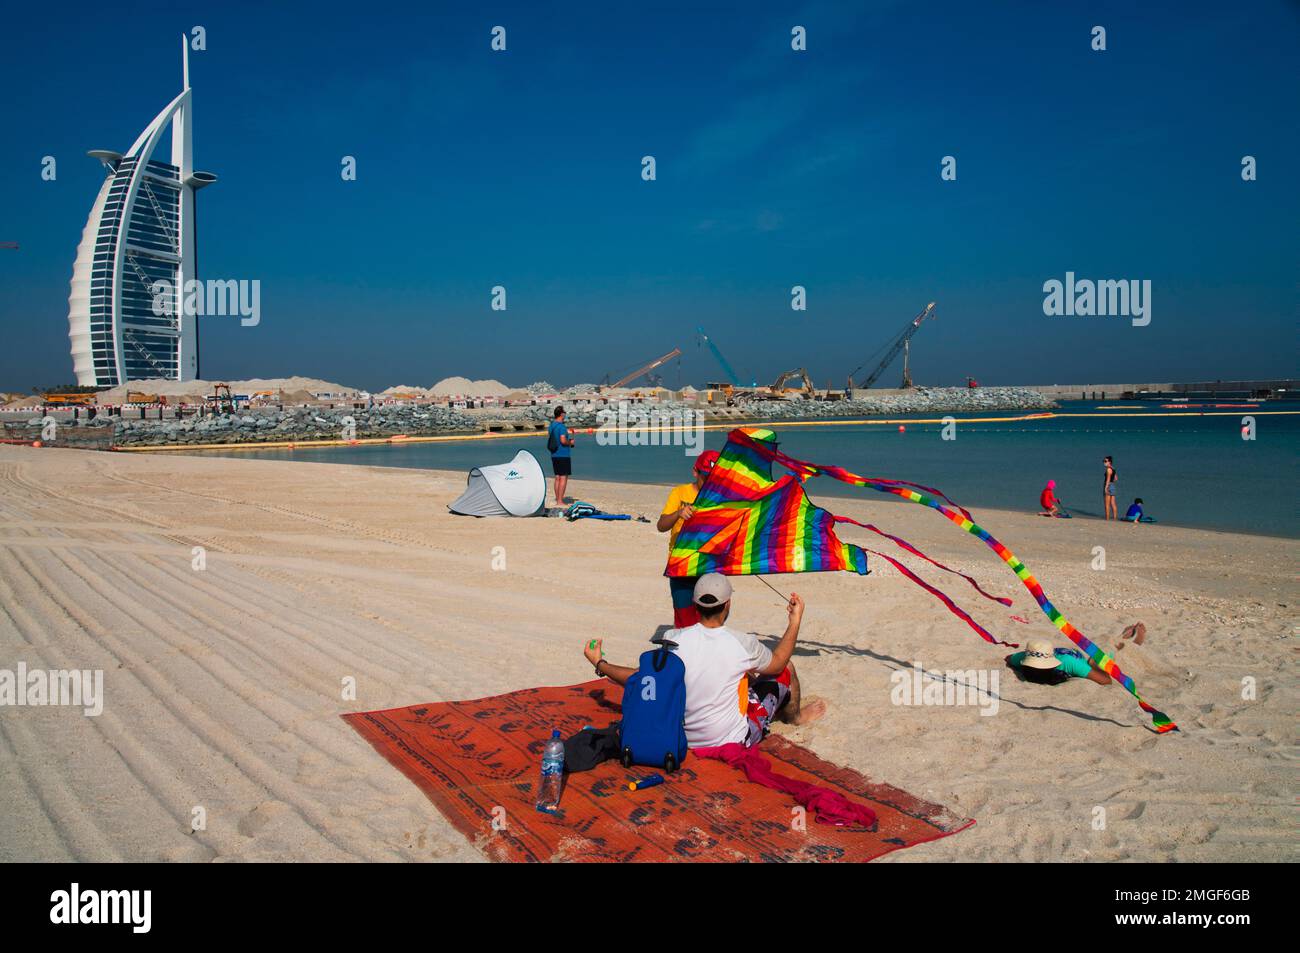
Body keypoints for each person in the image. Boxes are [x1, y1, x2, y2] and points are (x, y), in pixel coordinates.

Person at [583, 573, 826, 749]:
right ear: (728, 604)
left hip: (684, 737)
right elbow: (779, 662)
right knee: (786, 670)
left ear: (695, 605)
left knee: (744, 674)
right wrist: (794, 621)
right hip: (730, 740)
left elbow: (638, 678)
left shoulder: (673, 638)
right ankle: (795, 718)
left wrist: (600, 663)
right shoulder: (742, 643)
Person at [658, 450, 721, 628]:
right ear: (695, 472)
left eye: (714, 478)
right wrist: (678, 514)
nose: (709, 482)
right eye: (706, 477)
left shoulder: (720, 498)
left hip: (709, 566)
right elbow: (661, 525)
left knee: (711, 622)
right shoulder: (679, 493)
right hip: (681, 566)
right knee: (685, 622)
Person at [1005, 635, 1117, 685]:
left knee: (1098, 661)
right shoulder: (1022, 657)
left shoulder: (1069, 663)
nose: (1034, 670)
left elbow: (1107, 680)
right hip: (1056, 653)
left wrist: (1094, 666)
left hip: (1076, 658)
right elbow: (1009, 658)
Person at [548, 406, 575, 506]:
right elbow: (563, 441)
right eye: (564, 412)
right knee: (563, 477)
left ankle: (557, 498)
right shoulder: (562, 426)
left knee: (557, 477)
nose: (565, 414)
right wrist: (570, 442)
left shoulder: (552, 426)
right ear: (562, 414)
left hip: (554, 454)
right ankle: (560, 500)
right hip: (563, 454)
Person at [1102, 455, 1118, 521]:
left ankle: (1107, 519)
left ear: (1109, 462)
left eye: (1105, 461)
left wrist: (1106, 488)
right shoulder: (1113, 468)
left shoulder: (1108, 469)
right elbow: (1116, 478)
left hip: (1108, 485)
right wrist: (1111, 483)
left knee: (1107, 504)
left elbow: (1108, 479)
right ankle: (1115, 519)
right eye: (1104, 461)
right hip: (1112, 485)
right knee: (1113, 503)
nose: (1104, 462)